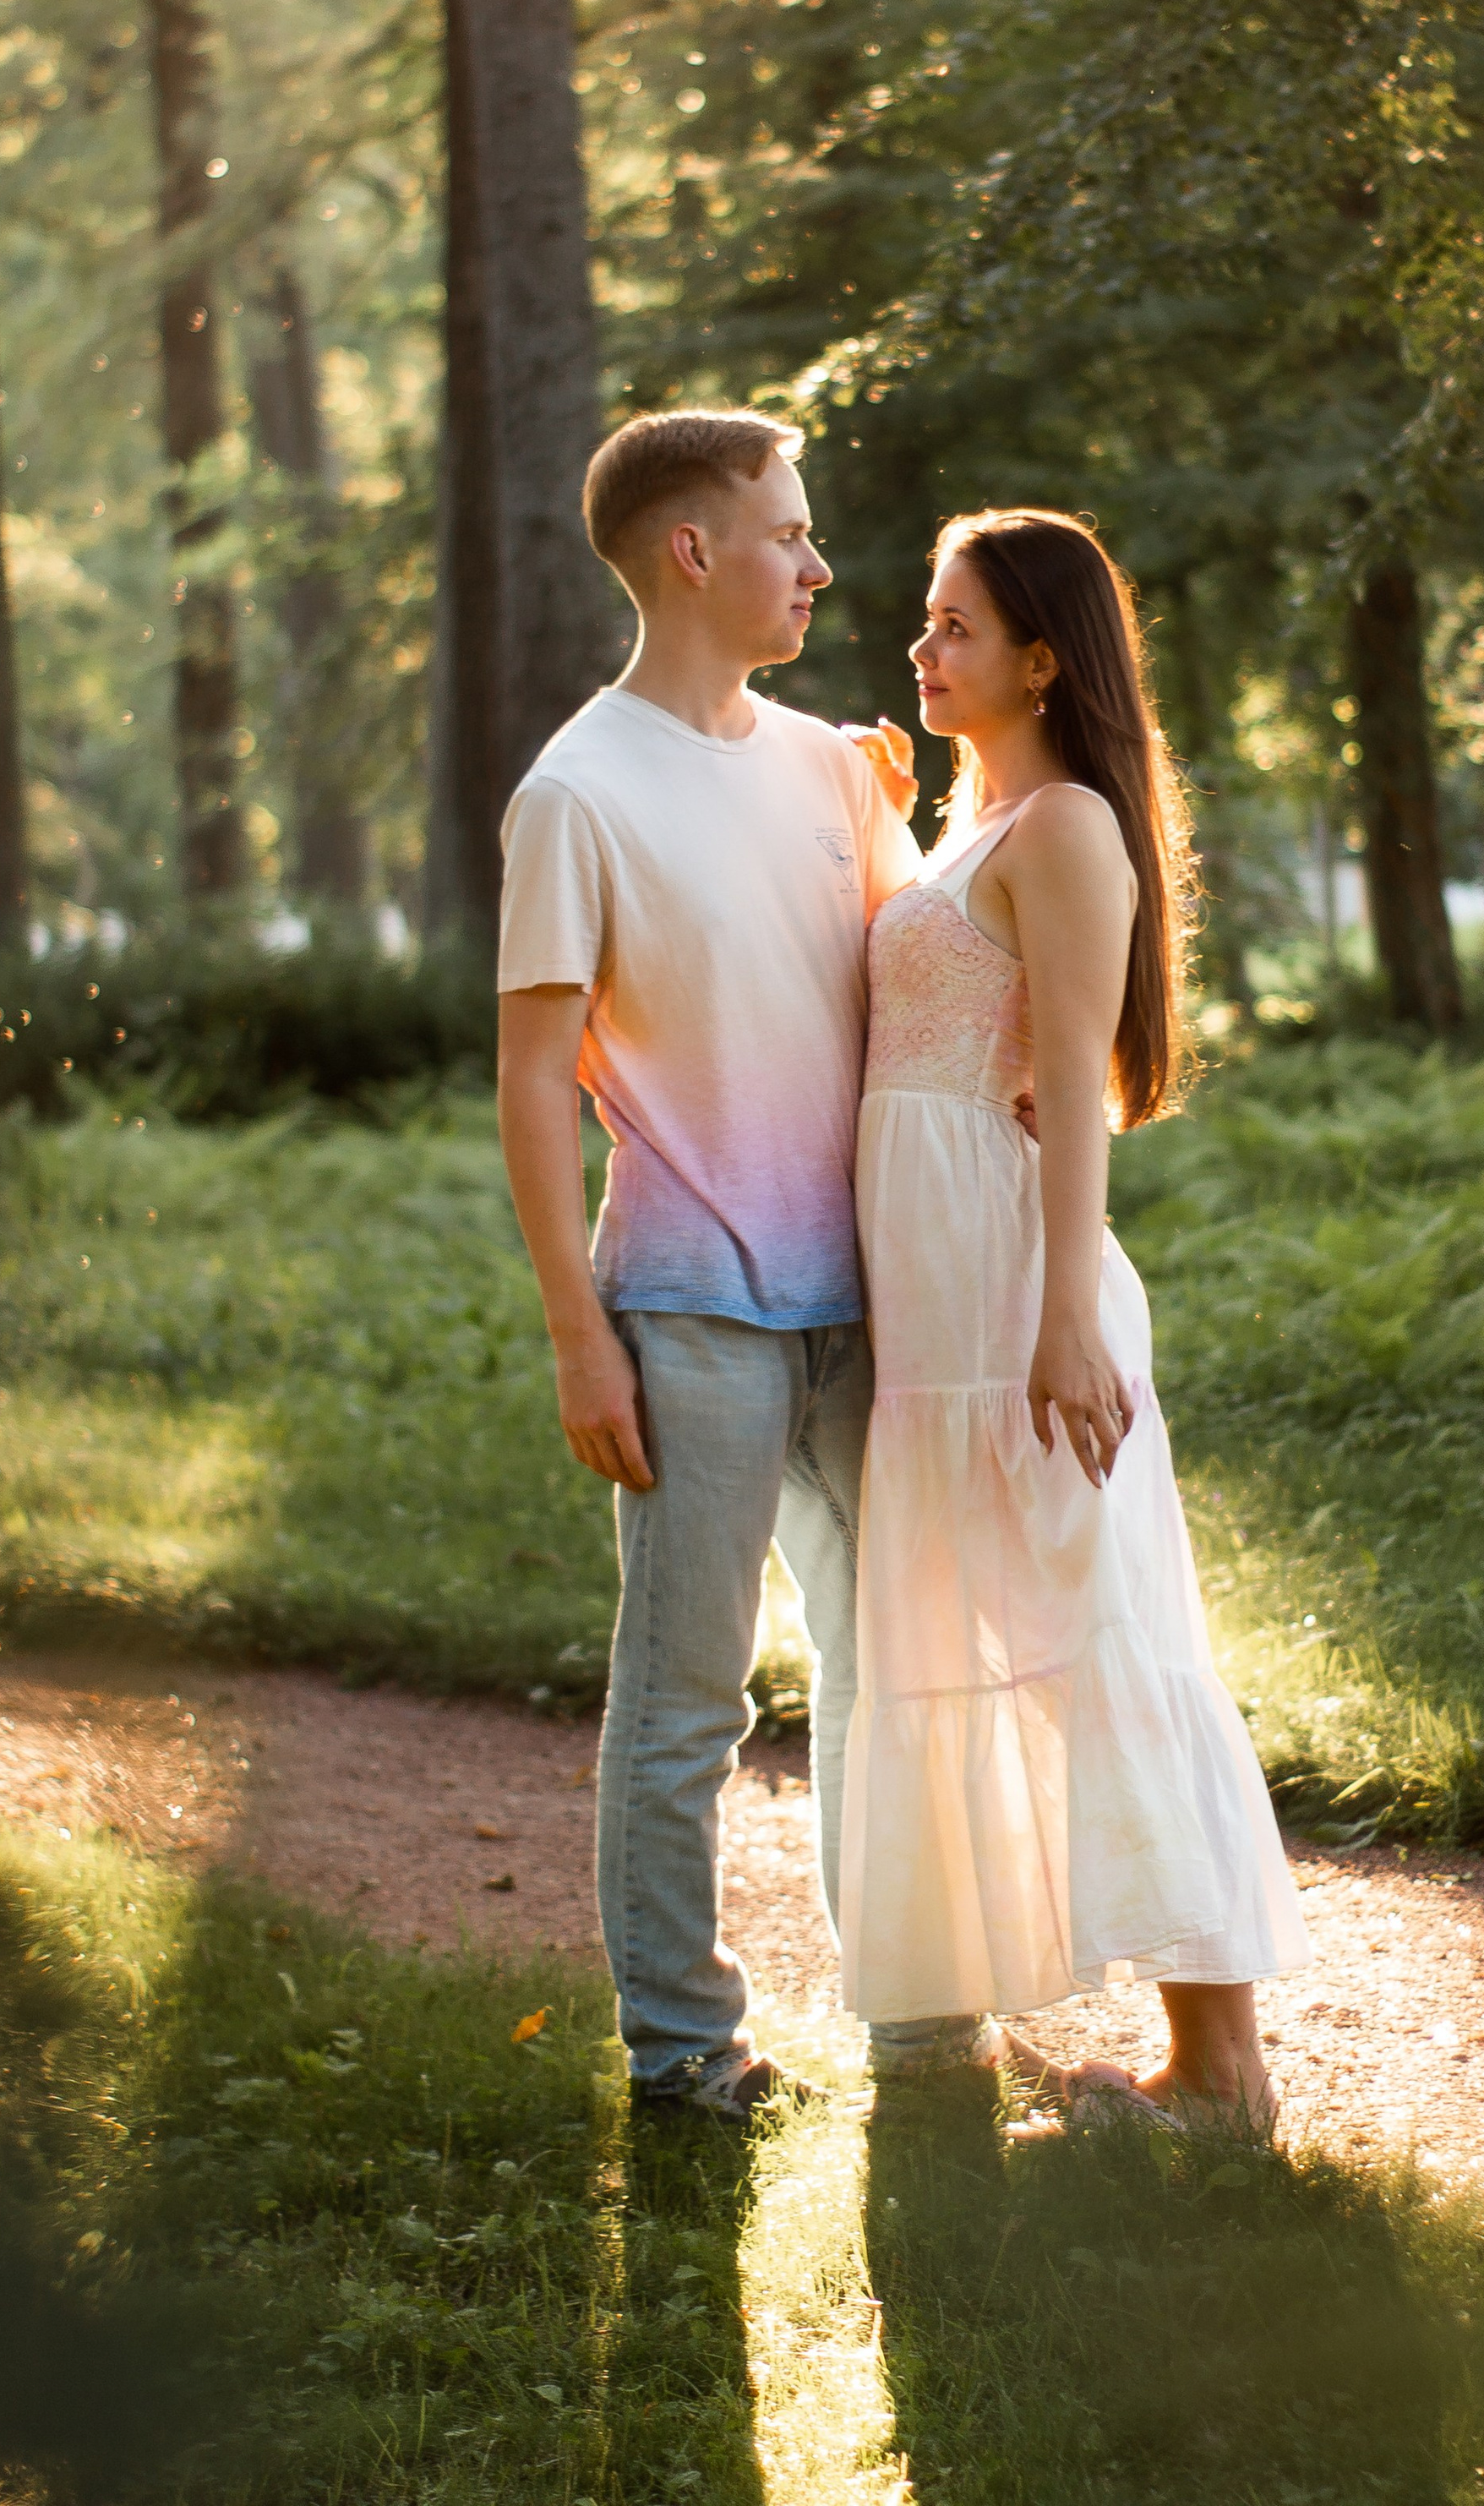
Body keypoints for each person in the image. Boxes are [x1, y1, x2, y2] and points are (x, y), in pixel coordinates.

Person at [496, 408, 997, 2124]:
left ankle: (919, 2017)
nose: (818, 562)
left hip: (862, 1311)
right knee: (684, 1706)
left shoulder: (822, 768)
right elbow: (529, 1087)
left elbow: (912, 978)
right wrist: (579, 1335)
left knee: (887, 1670)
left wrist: (910, 807)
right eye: (788, 532)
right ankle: (683, 2051)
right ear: (690, 553)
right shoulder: (573, 795)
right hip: (687, 1311)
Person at [839, 506, 1315, 2130]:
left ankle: (1222, 2068)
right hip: (938, 1303)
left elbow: (1084, 1097)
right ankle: (1043, 2009)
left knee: (1105, 1638)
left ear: (1043, 657)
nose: (922, 649)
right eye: (924, 619)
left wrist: (1063, 1316)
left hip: (1016, 1284)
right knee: (998, 1637)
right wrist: (888, 832)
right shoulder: (987, 825)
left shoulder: (1069, 833)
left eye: (954, 626)